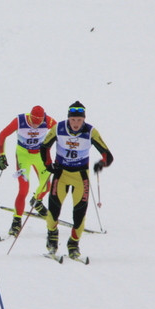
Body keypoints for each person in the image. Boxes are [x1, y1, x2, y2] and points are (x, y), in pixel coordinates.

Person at [39, 101, 113, 259]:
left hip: (81, 176)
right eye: (73, 120)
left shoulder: (91, 132)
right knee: (53, 210)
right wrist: (49, 165)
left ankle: (73, 244)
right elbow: (44, 146)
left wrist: (101, 164)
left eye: (79, 120)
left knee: (79, 215)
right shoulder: (58, 128)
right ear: (68, 118)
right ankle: (52, 237)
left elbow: (108, 155)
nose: (76, 123)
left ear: (84, 119)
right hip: (61, 174)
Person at [0, 105, 57, 236]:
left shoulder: (48, 121)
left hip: (39, 156)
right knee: (23, 189)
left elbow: (60, 134)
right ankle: (16, 221)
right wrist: (2, 155)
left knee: (47, 186)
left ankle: (36, 201)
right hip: (23, 155)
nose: (35, 126)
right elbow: (2, 135)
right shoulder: (20, 120)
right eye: (33, 123)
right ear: (30, 117)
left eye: (39, 123)